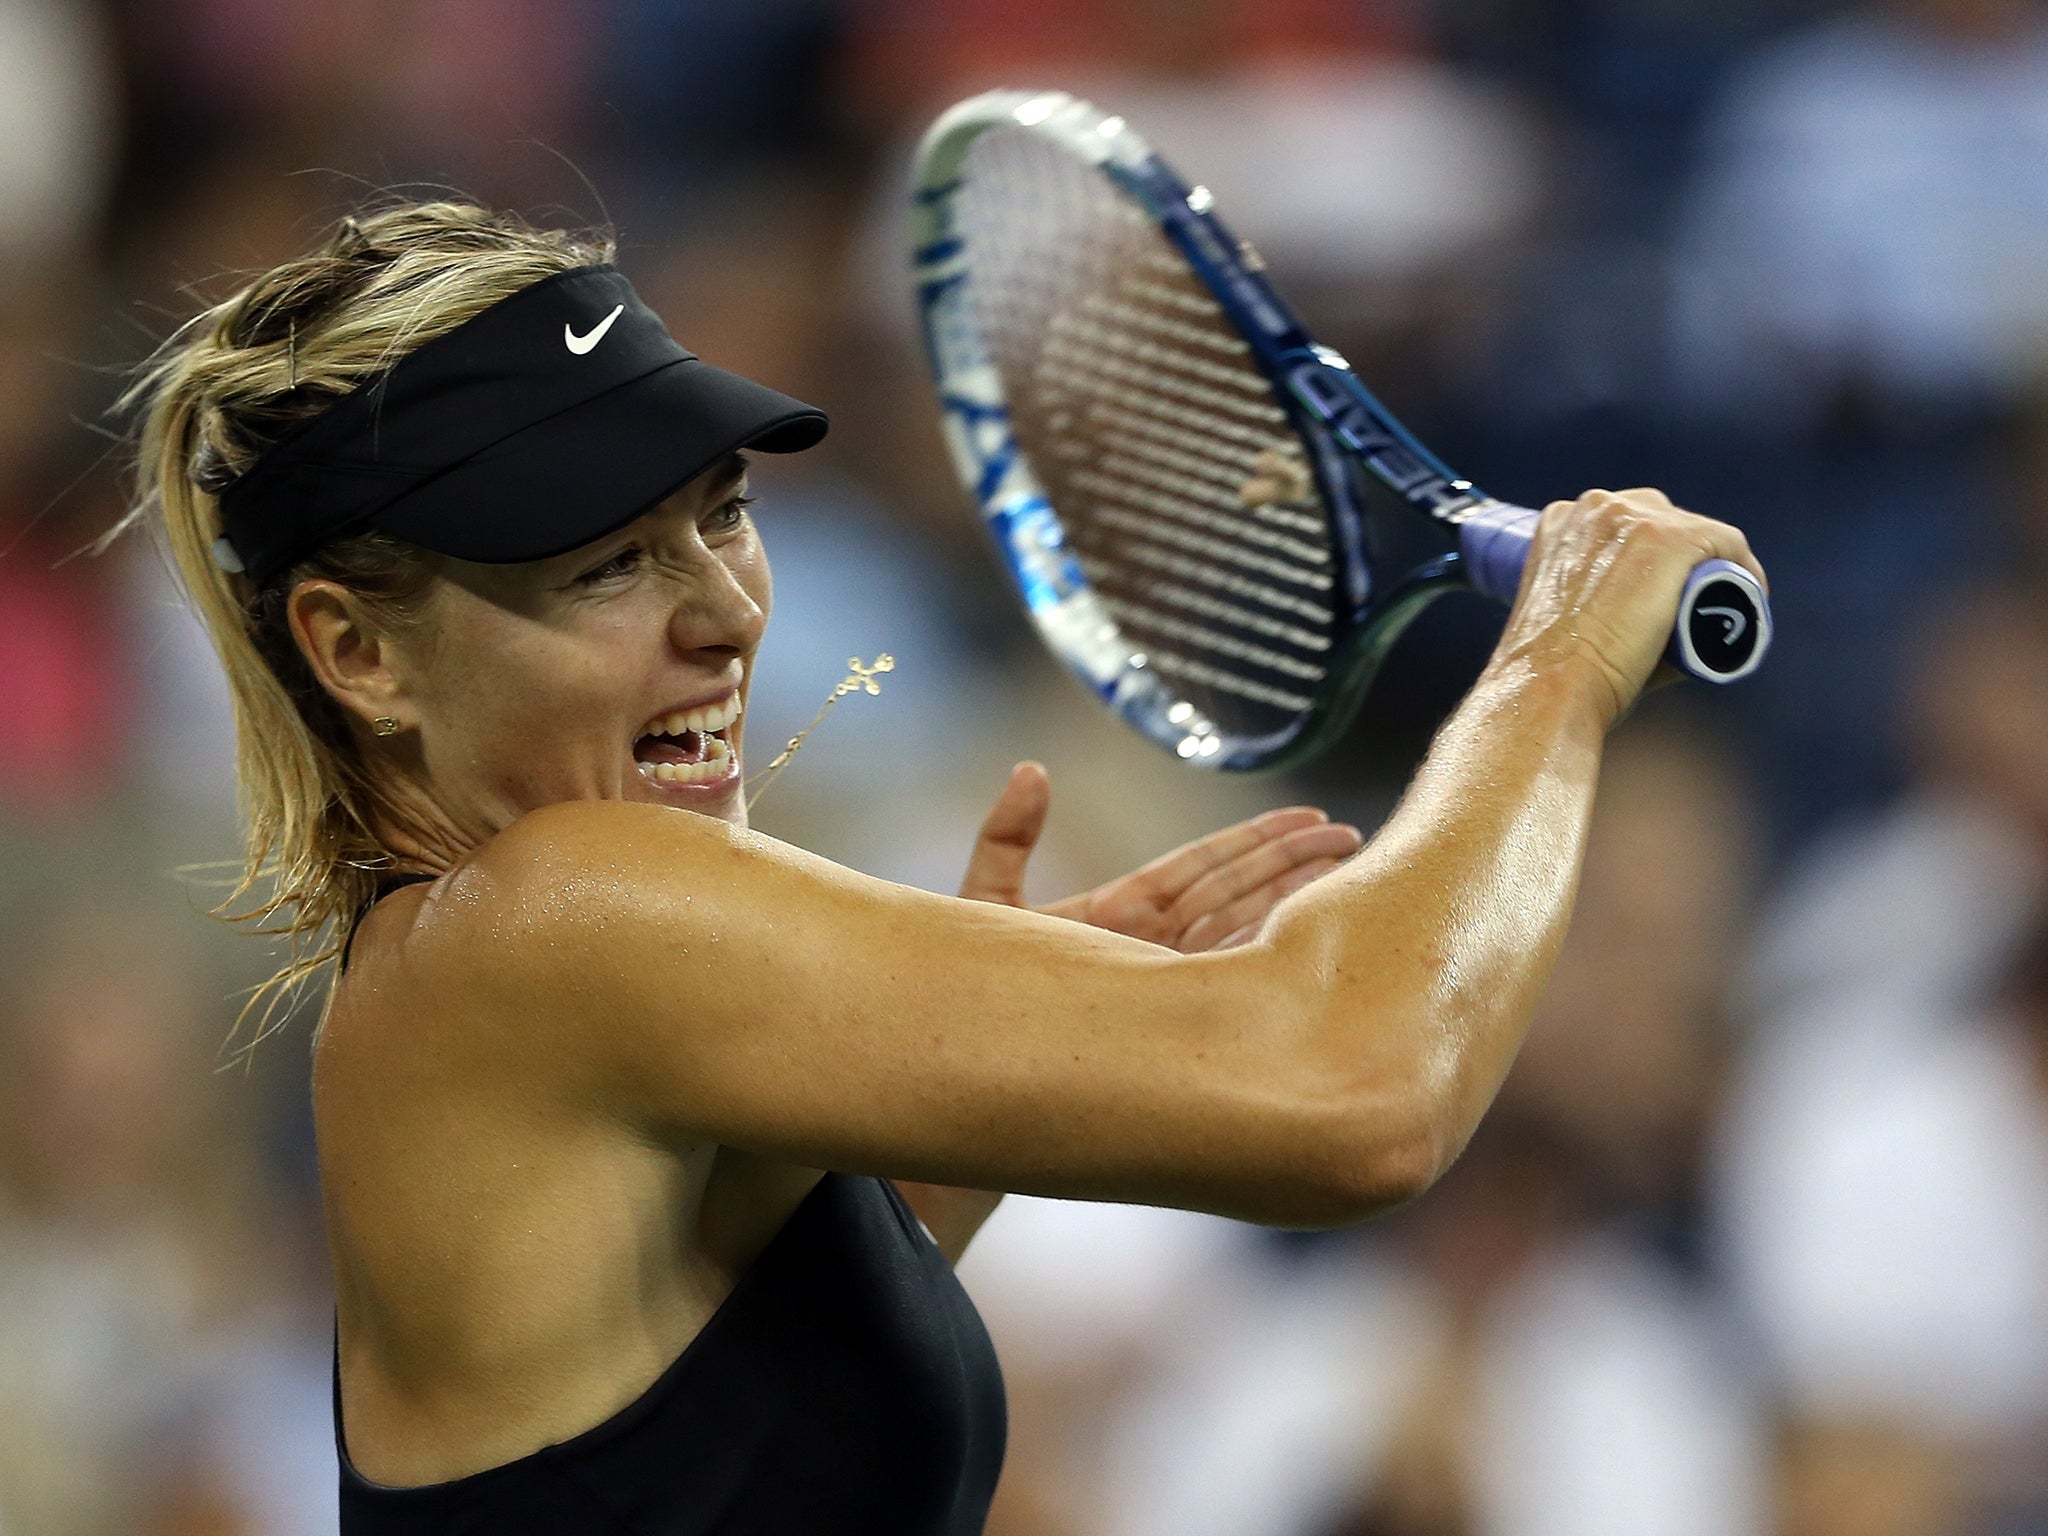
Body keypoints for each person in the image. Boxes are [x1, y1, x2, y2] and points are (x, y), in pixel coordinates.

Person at [116, 201, 1765, 1533]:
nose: (728, 613)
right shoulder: (552, 914)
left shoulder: (507, 980)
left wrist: (938, 1126)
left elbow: (692, 1463)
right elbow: (1366, 1093)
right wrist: (1561, 665)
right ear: (359, 652)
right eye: (609, 563)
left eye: (721, 513)